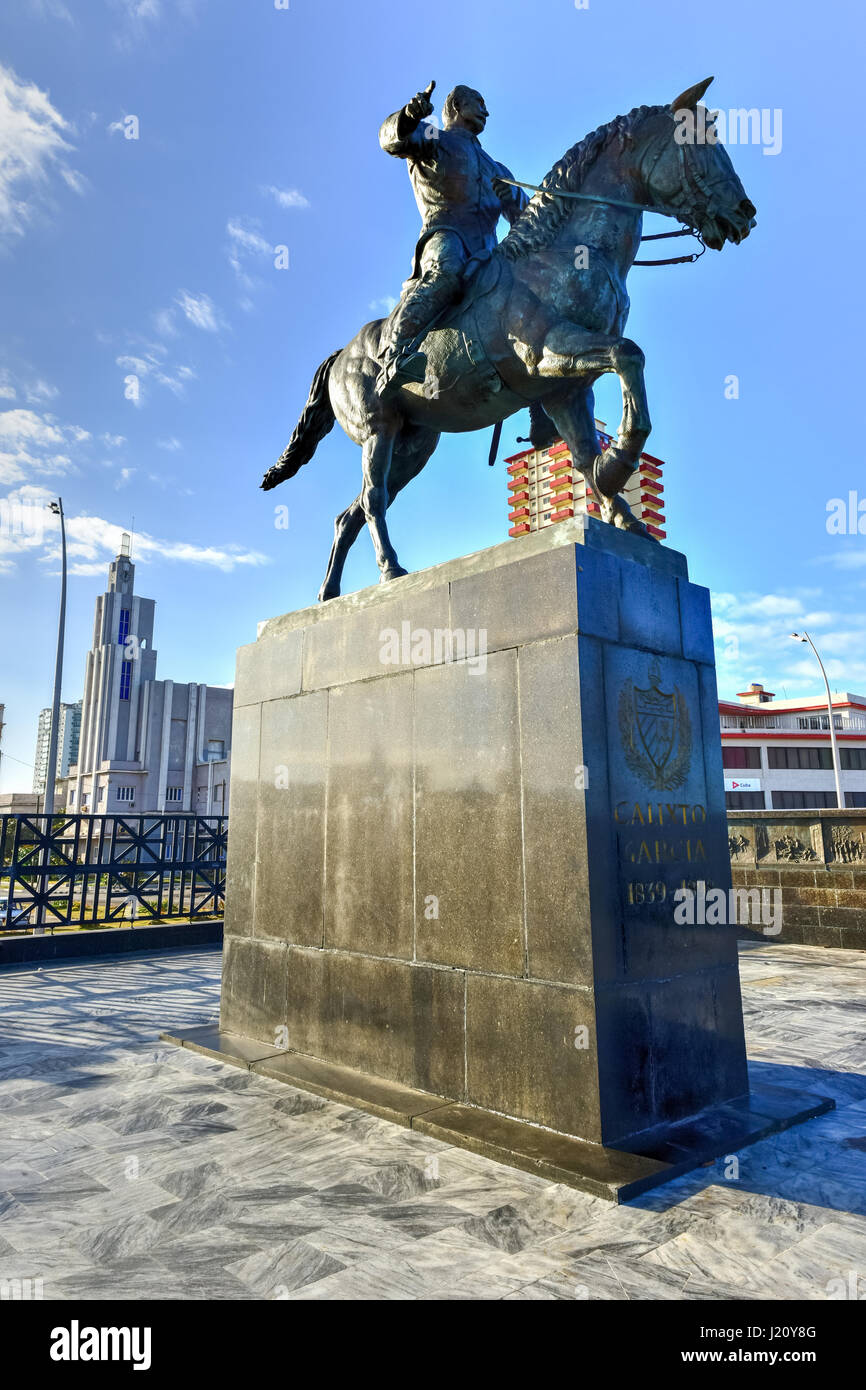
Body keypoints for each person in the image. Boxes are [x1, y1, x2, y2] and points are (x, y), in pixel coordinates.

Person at [376, 80, 528, 399]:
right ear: (457, 106)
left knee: (531, 300)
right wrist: (409, 115)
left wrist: (516, 197)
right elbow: (391, 140)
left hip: (488, 254)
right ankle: (394, 355)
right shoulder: (435, 138)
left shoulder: (497, 168)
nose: (486, 111)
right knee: (447, 271)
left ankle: (539, 405)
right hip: (446, 237)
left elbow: (527, 221)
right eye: (479, 102)